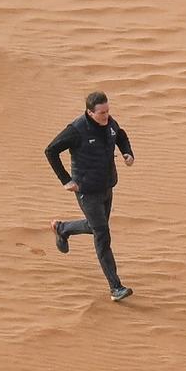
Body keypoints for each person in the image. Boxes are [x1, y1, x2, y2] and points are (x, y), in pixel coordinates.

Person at [46, 91, 135, 300]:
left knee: (97, 226)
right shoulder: (76, 130)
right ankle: (116, 287)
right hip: (87, 191)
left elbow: (120, 135)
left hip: (106, 186)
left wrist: (127, 152)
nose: (106, 117)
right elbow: (51, 151)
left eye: (108, 112)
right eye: (102, 113)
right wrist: (66, 180)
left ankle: (63, 228)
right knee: (102, 234)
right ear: (89, 112)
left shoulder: (109, 123)